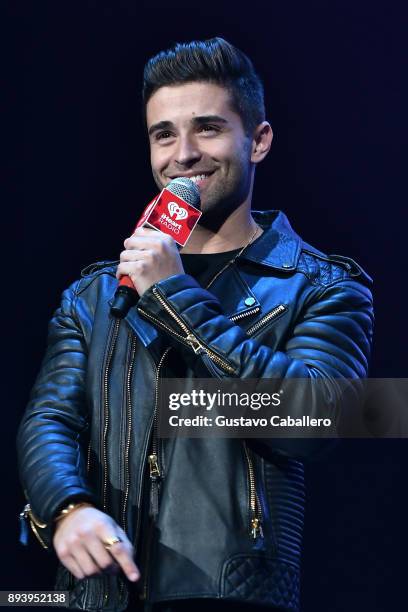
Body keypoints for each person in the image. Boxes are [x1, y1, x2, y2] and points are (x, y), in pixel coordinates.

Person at [18, 37, 373, 611]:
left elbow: (317, 419)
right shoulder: (96, 292)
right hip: (96, 595)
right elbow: (51, 420)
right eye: (164, 134)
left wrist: (173, 293)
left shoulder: (322, 285)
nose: (183, 154)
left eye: (207, 128)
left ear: (257, 141)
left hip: (232, 594)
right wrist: (67, 508)